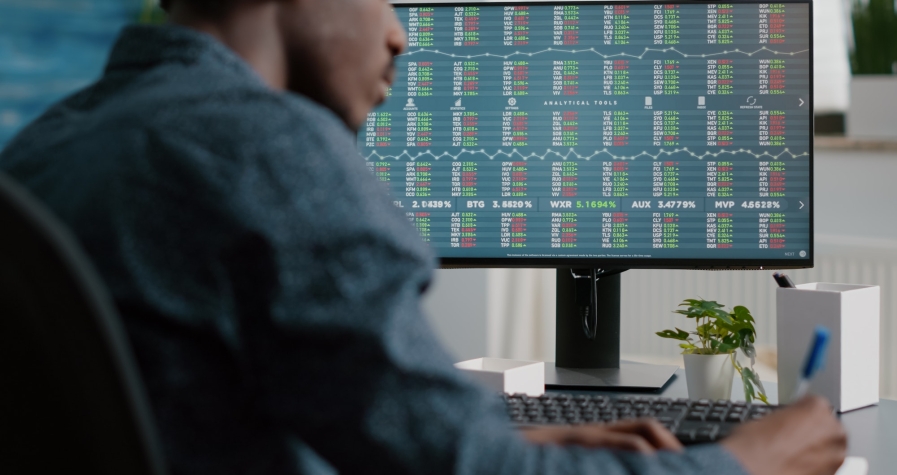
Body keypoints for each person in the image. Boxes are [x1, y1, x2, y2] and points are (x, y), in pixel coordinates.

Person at [0, 0, 847, 474]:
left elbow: (205, 423)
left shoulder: (51, 144)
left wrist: (489, 438)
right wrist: (744, 461)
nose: (402, 34)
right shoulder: (264, 143)